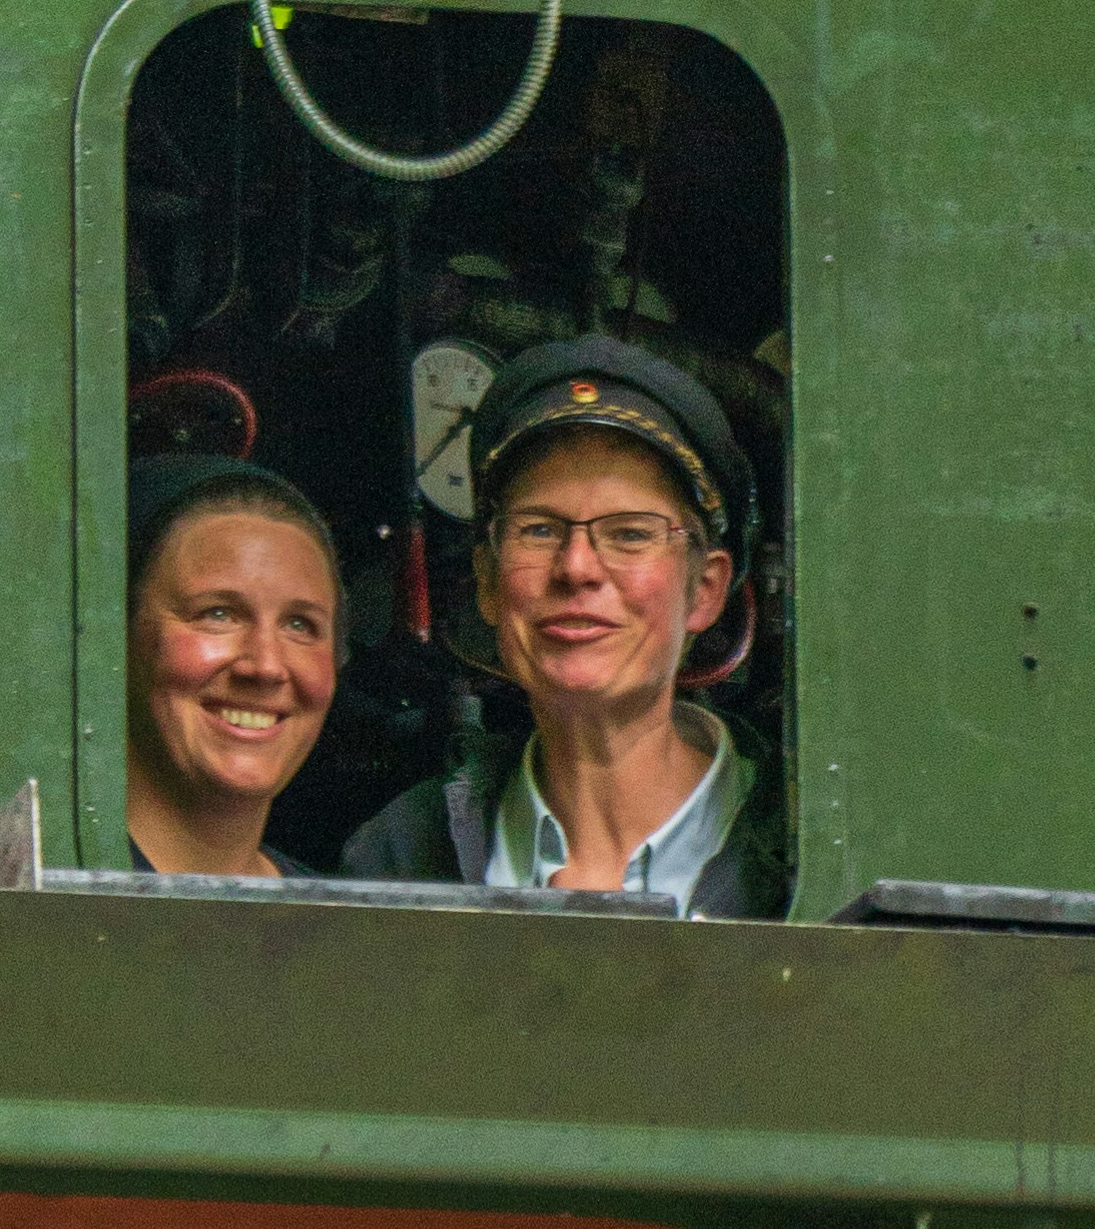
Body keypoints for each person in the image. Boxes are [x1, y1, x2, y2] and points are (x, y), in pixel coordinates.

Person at [346, 337, 777, 911]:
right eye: (540, 529)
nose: (576, 568)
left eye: (630, 533)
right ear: (488, 582)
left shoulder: (804, 845)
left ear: (704, 589)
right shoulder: (398, 859)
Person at [121, 461, 347, 883]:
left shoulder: (345, 932)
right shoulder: (34, 906)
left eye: (300, 625)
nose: (265, 666)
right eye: (218, 614)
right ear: (119, 640)